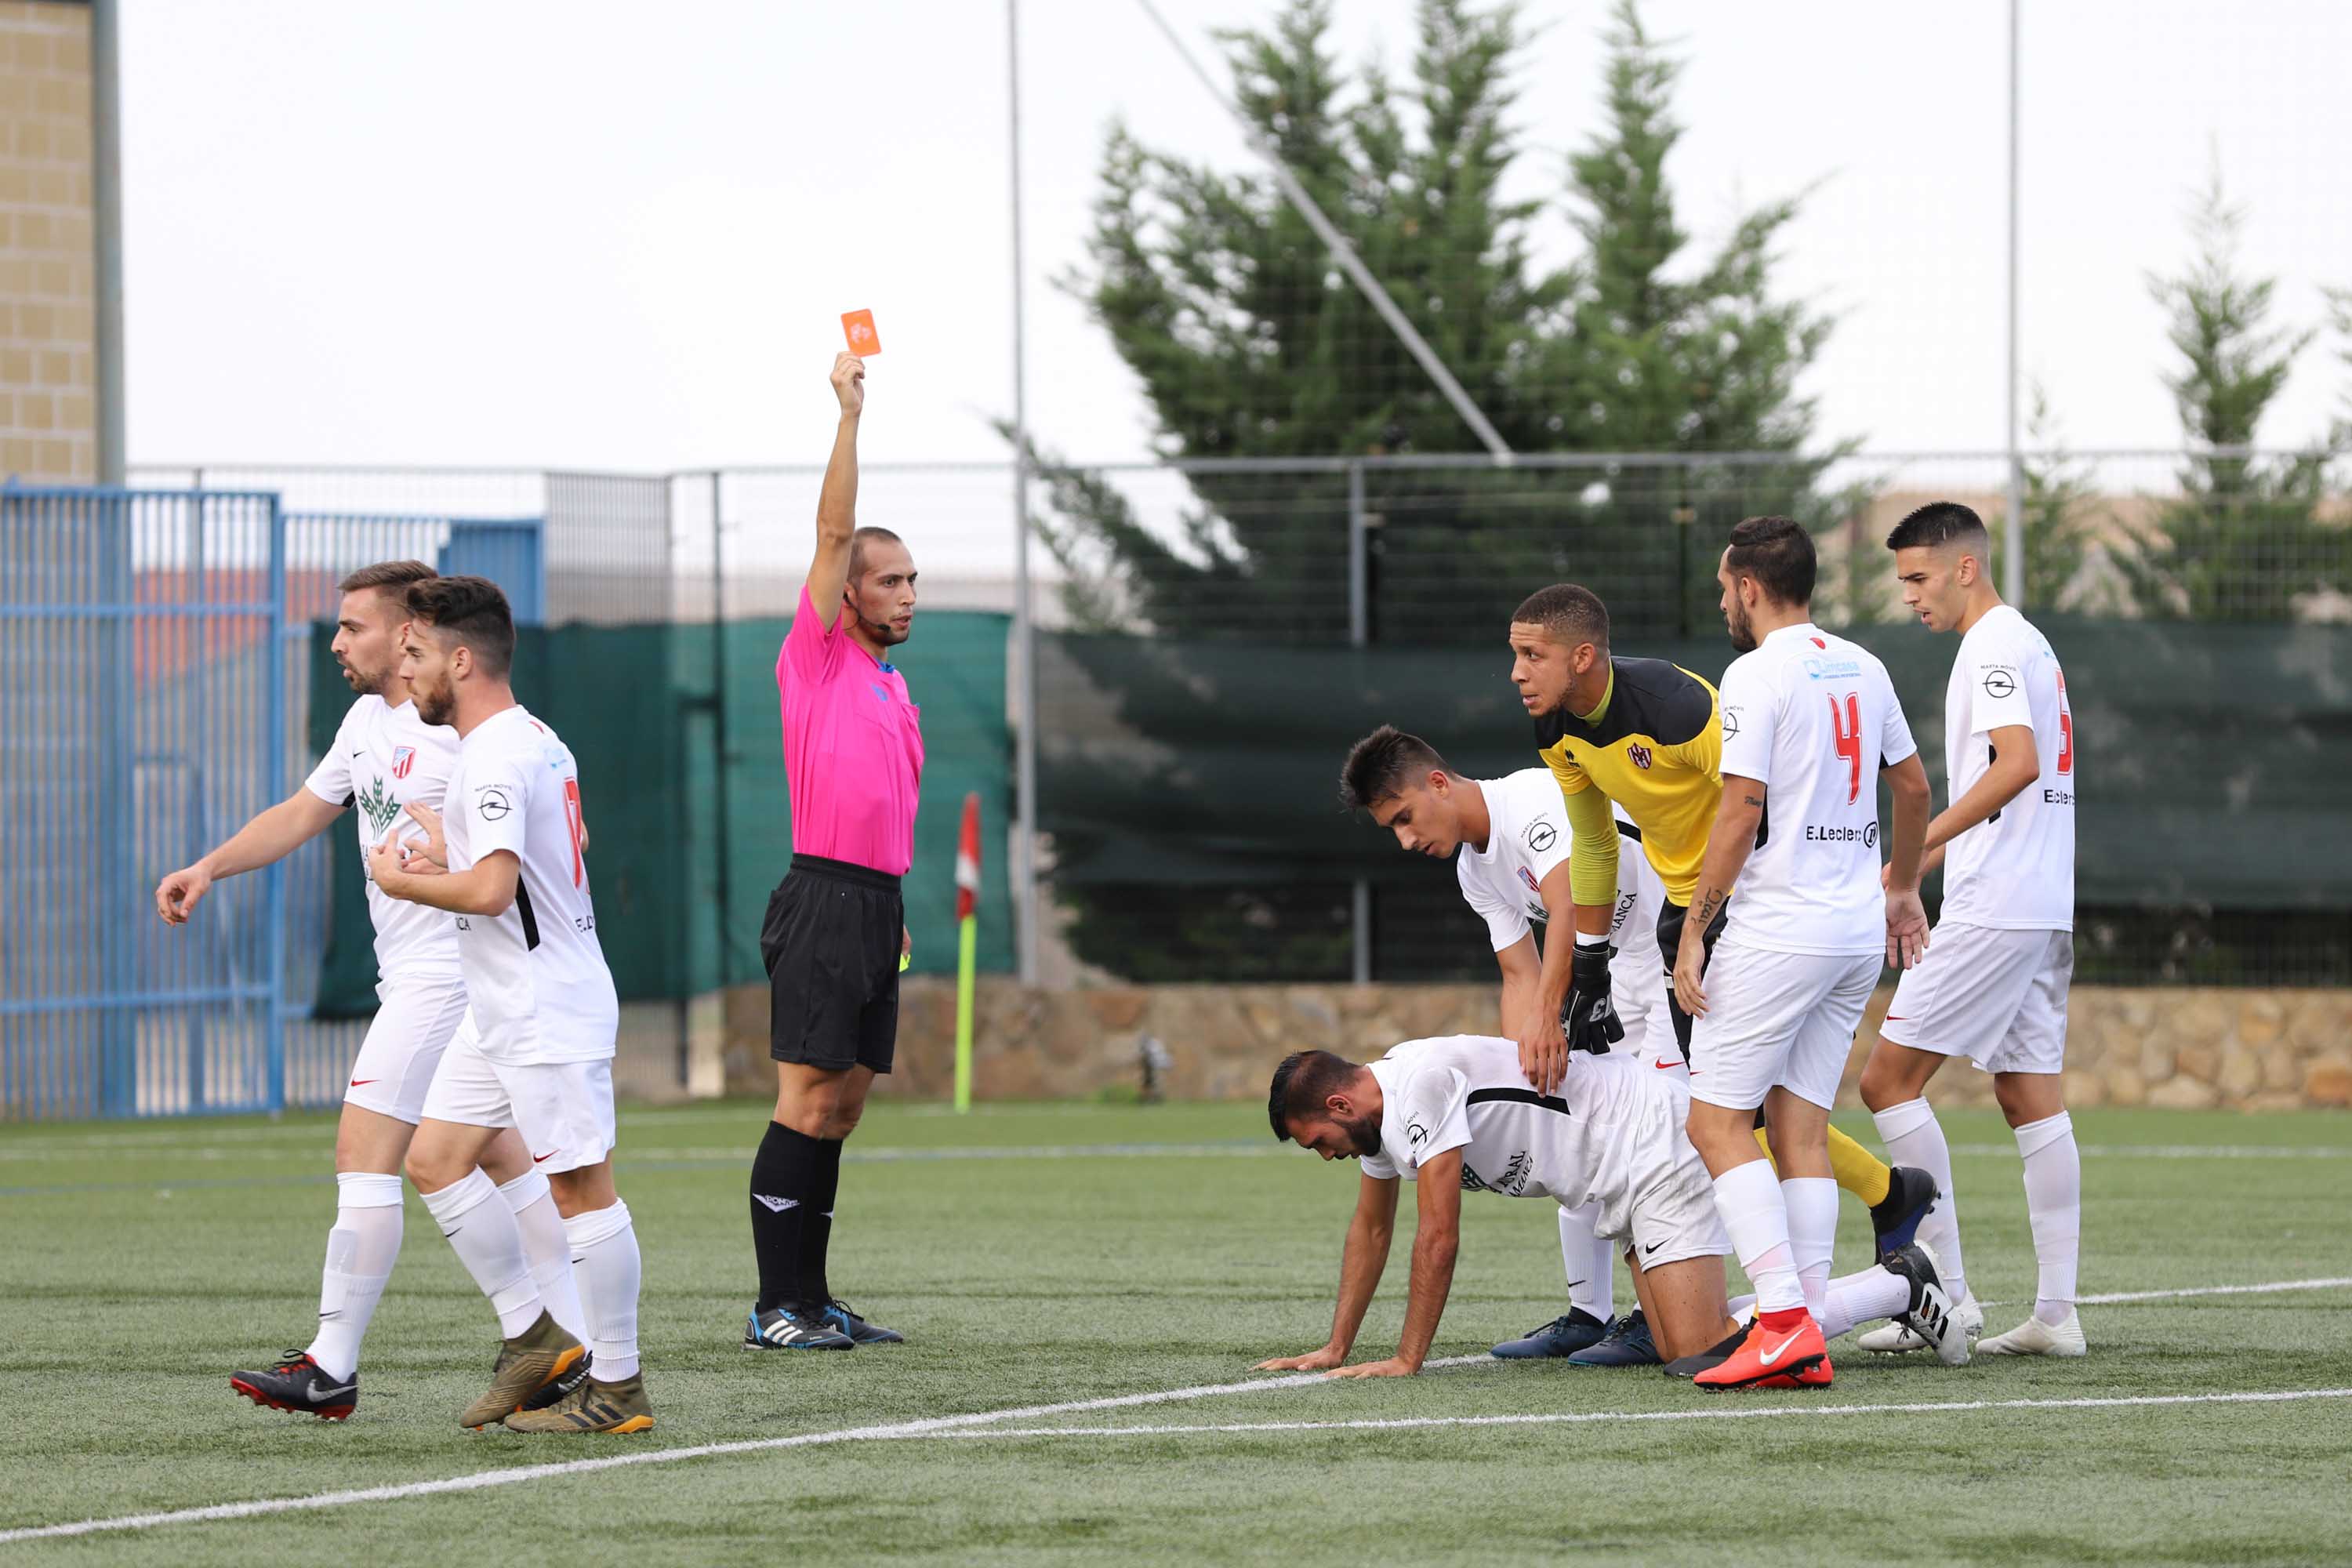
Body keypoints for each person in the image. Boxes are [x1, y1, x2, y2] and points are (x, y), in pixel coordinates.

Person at [157, 561, 546, 1424]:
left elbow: (550, 834)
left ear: (411, 633)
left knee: (366, 1148)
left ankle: (334, 1362)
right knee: (498, 1154)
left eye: (353, 626)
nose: (337, 641)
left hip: (448, 972)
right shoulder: (369, 718)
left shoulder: (463, 730)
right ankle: (561, 1336)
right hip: (416, 975)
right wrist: (209, 866)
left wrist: (446, 853)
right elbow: (302, 809)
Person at [1507, 582, 1936, 1256]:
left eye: (1532, 655)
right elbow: (1593, 843)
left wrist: (1726, 920)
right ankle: (1876, 1210)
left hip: (1749, 911)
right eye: (1516, 655)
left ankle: (1764, 1296)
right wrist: (1590, 962)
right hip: (1684, 916)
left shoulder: (1677, 708)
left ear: (1583, 656)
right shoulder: (1554, 728)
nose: (1517, 673)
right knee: (1746, 1113)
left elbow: (1751, 806)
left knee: (1720, 1114)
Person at [1254, 1040, 1965, 1381]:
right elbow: (1372, 1229)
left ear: (1340, 1105)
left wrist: (1408, 1359)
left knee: (1700, 1350)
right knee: (1685, 1342)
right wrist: (1335, 1346)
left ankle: (1899, 1282)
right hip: (1616, 1179)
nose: (1326, 1155)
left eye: (1319, 1141)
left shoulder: (1419, 1087)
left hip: (1651, 1144)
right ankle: (1894, 1282)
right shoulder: (1378, 1123)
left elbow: (1438, 1236)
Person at [372, 575, 652, 1434]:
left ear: (461, 658)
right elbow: (553, 849)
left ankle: (618, 1385)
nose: (403, 668)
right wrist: (446, 846)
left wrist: (398, 878)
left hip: (543, 1004)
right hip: (505, 1004)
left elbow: (495, 890)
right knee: (434, 1157)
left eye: (414, 653)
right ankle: (534, 1333)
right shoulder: (535, 737)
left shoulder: (494, 750)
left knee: (581, 1190)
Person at [1671, 517, 1936, 1390]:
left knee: (1714, 1122)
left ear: (1750, 585)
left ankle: (1782, 1318)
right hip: (1856, 930)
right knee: (1800, 1130)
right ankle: (1809, 1322)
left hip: (1781, 928)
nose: (1721, 600)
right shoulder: (1865, 663)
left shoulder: (1753, 673)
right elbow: (1915, 785)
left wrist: (1695, 928)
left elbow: (1741, 809)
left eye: (1723, 585)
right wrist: (1900, 886)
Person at [1338, 724, 1675, 1366]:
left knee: (1674, 1134)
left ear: (1439, 782)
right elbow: (1518, 975)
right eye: (1392, 829)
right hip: (1610, 974)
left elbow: (1569, 902)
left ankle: (1690, 1309)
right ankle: (1590, 1313)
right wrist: (1526, 1062)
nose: (1406, 839)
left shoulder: (1531, 801)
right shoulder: (1473, 868)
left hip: (1669, 951)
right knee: (1574, 1118)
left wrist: (1549, 1016)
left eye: (1405, 817)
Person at [1857, 501, 2084, 1359]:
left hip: (1998, 906)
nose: (1910, 595)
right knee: (2029, 1096)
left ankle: (1946, 1299)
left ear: (1963, 566)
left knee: (1886, 1080)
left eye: (1917, 577)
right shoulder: (2028, 640)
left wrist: (1914, 854)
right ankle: (2056, 1315)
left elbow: (2016, 762)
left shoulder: (1991, 643)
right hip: (2041, 902)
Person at [743, 351, 920, 1352]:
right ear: (846, 593)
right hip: (819, 898)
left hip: (876, 904)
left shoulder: (895, 685)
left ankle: (813, 1298)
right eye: (887, 580)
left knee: (844, 1107)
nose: (903, 593)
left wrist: (895, 915)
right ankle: (776, 1306)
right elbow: (832, 530)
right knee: (803, 1100)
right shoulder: (813, 657)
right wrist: (849, 416)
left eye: (910, 580)